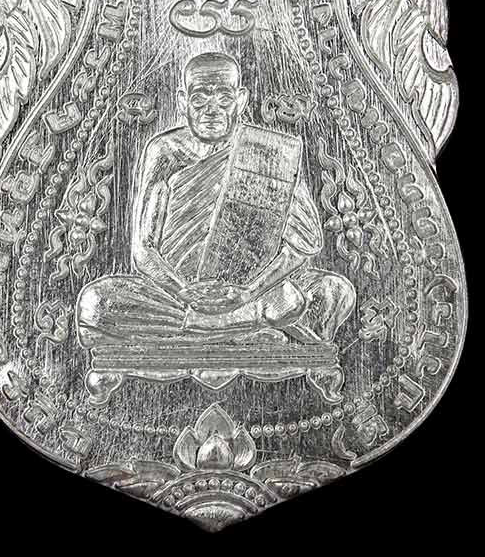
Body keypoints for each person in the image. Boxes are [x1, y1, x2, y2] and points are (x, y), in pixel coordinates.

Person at [77, 52, 355, 355]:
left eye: (224, 98)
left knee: (334, 291)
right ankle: (246, 325)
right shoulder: (165, 152)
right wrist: (184, 291)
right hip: (179, 295)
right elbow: (143, 250)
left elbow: (301, 246)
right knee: (96, 304)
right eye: (200, 99)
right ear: (182, 101)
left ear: (241, 100)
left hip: (254, 290)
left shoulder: (269, 152)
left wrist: (249, 290)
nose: (212, 110)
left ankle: (213, 328)